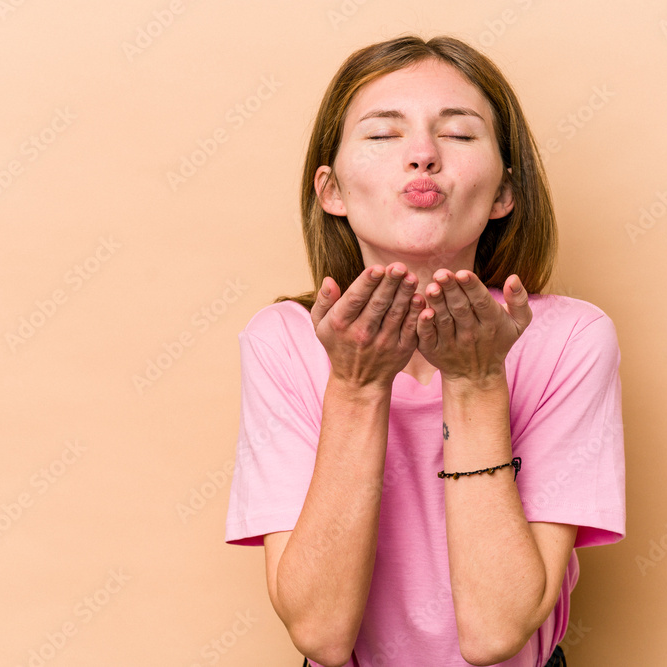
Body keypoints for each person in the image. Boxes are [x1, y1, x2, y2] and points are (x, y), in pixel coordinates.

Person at [224, 34, 625, 667]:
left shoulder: (571, 339)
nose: (422, 157)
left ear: (503, 193)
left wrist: (476, 383)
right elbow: (321, 634)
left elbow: (496, 634)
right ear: (330, 190)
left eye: (460, 136)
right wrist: (356, 387)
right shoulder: (283, 340)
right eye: (383, 136)